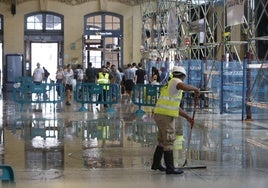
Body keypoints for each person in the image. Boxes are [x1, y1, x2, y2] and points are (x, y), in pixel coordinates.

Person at [152, 66, 200, 175]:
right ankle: (170, 168)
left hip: (161, 114)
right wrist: (195, 89)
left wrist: (188, 117)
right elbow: (182, 85)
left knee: (162, 140)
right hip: (165, 116)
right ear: (183, 76)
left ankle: (156, 164)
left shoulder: (171, 84)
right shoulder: (175, 81)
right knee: (168, 140)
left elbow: (176, 107)